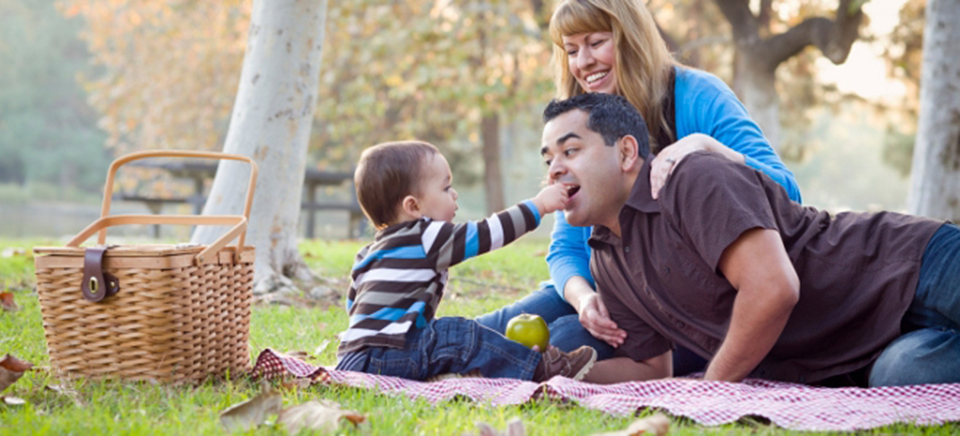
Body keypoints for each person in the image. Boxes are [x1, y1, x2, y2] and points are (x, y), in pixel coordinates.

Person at [540, 92, 959, 387]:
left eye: (570, 151)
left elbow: (773, 289)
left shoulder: (690, 178)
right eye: (548, 159)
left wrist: (712, 387)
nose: (554, 169)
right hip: (870, 350)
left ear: (627, 153)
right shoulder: (606, 260)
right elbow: (651, 370)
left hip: (912, 266)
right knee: (904, 376)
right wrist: (550, 370)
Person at [476, 0, 801, 377]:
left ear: (630, 38)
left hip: (687, 305)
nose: (582, 62)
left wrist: (705, 146)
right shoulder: (580, 124)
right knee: (492, 330)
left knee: (563, 342)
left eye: (596, 42)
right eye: (571, 50)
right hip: (611, 292)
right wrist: (583, 298)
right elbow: (566, 248)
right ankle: (408, 352)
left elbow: (787, 194)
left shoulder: (697, 95)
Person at [335, 140, 597, 382]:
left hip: (352, 358)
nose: (455, 194)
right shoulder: (425, 235)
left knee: (440, 338)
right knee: (456, 333)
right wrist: (539, 205)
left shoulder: (368, 253)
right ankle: (537, 368)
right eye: (446, 187)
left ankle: (442, 370)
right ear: (413, 207)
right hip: (389, 354)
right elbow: (488, 233)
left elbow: (355, 305)